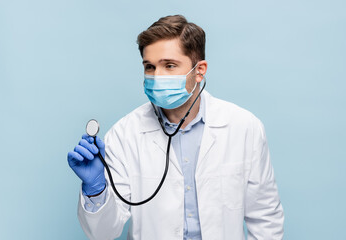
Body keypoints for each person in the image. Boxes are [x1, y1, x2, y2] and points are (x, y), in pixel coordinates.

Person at [67, 15, 284, 240]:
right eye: (149, 67)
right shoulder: (124, 134)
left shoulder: (244, 127)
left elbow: (266, 218)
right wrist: (95, 189)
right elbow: (103, 233)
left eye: (169, 65)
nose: (157, 77)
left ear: (199, 71)